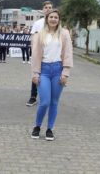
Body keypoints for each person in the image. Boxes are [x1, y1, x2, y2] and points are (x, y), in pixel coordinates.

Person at [30, 9, 73, 141]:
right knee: (45, 102)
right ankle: (37, 126)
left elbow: (68, 53)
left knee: (54, 102)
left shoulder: (64, 34)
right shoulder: (39, 35)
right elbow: (35, 55)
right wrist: (35, 73)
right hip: (44, 70)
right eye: (51, 17)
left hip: (58, 69)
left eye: (56, 17)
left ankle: (50, 129)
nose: (53, 19)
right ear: (47, 19)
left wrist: (65, 73)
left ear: (59, 20)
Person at [26, 1, 53, 106]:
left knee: (50, 76)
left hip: (51, 55)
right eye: (46, 7)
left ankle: (47, 97)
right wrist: (34, 53)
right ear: (43, 9)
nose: (48, 9)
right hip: (39, 54)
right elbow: (33, 39)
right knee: (35, 74)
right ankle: (33, 97)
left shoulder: (56, 22)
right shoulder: (38, 23)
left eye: (50, 7)